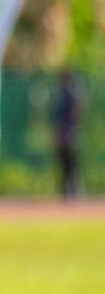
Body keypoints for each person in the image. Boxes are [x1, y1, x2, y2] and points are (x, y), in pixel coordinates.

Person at [53, 68, 86, 200]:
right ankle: (65, 191)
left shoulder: (72, 95)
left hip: (70, 132)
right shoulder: (60, 95)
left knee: (72, 163)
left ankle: (75, 190)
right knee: (63, 162)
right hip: (62, 133)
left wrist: (72, 131)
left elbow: (76, 114)